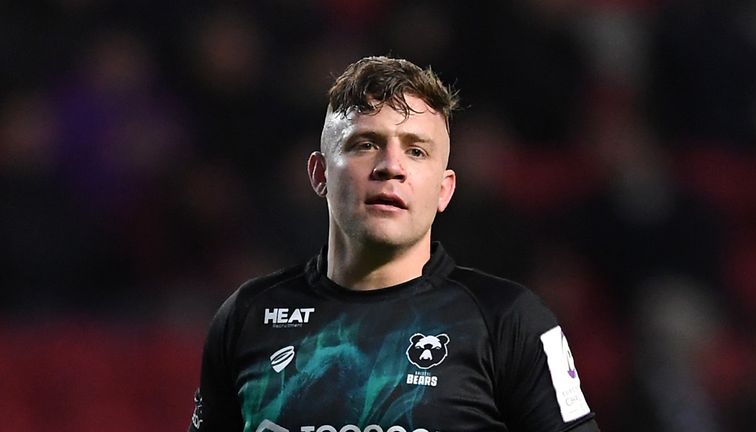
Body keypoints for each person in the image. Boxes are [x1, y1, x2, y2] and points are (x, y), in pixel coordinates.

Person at [189, 56, 600, 432]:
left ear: (444, 190)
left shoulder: (509, 322)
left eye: (417, 150)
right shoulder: (247, 317)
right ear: (319, 174)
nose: (391, 167)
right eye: (366, 144)